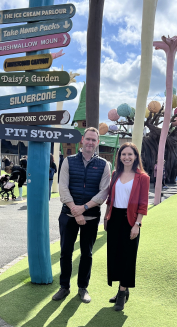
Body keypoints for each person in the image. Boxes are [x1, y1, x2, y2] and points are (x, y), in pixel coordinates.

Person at [52, 127, 111, 303]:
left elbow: (103, 193)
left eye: (94, 140)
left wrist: (83, 208)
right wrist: (74, 210)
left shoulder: (104, 165)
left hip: (91, 217)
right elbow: (63, 188)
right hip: (68, 216)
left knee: (87, 253)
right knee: (66, 252)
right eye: (88, 139)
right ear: (82, 141)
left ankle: (82, 287)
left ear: (97, 142)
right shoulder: (68, 161)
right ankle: (64, 287)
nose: (90, 143)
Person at [104, 142, 149, 311]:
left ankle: (122, 293)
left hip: (130, 220)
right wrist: (106, 215)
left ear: (136, 156)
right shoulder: (115, 173)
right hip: (114, 218)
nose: (127, 157)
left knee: (128, 256)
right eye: (123, 154)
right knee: (116, 255)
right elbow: (110, 197)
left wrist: (137, 224)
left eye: (130, 154)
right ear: (119, 157)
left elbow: (143, 204)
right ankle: (122, 288)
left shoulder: (143, 177)